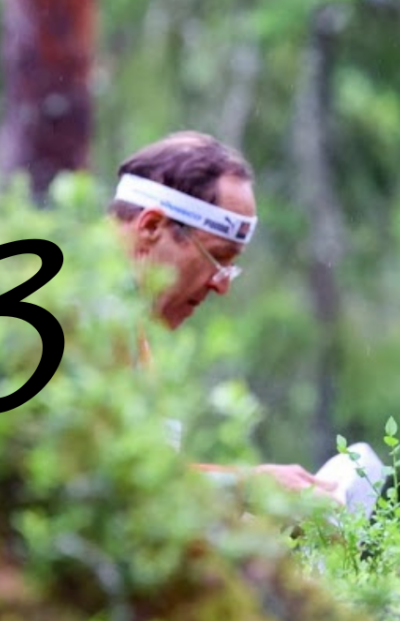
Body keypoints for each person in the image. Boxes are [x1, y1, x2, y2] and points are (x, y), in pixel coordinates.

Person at [106, 131, 385, 511]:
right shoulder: (79, 312)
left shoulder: (131, 328)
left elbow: (149, 482)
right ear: (151, 227)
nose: (221, 286)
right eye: (218, 258)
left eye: (230, 267)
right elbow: (103, 481)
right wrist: (247, 490)